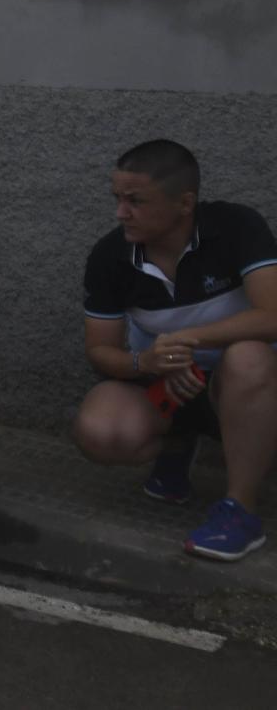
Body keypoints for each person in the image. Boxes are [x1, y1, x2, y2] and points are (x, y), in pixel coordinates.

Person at [72, 140, 277, 562]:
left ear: (185, 203)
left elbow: (273, 314)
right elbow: (100, 351)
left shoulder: (237, 227)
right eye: (117, 199)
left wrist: (191, 339)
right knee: (101, 430)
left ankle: (240, 509)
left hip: (246, 391)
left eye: (135, 201)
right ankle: (177, 445)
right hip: (169, 388)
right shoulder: (111, 255)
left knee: (248, 357)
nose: (120, 212)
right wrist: (143, 362)